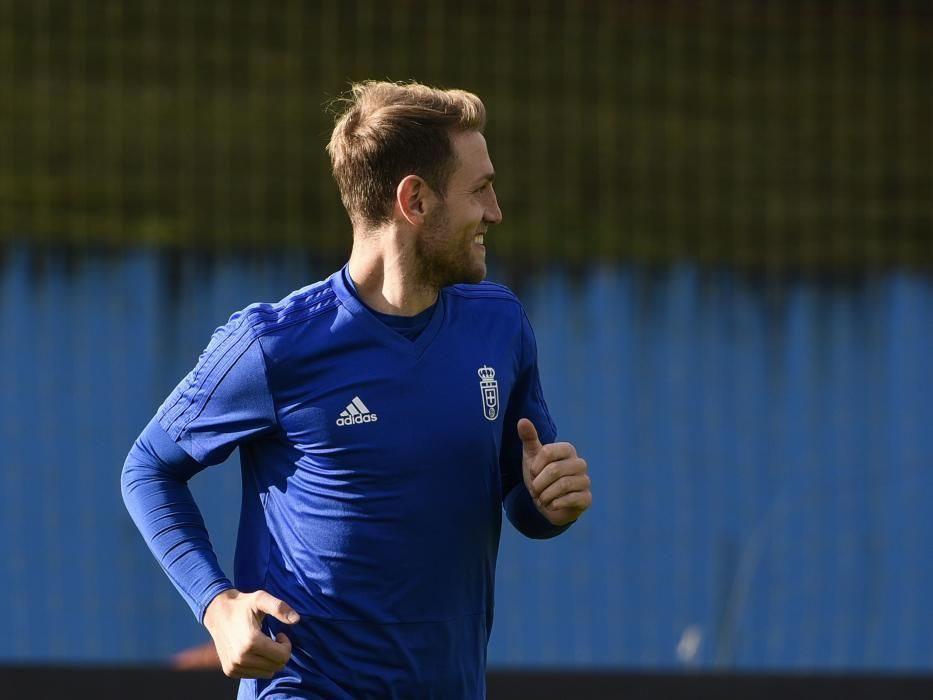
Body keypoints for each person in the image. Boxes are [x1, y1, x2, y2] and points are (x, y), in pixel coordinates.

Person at [122, 80, 593, 699]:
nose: (496, 211)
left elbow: (522, 492)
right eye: (480, 189)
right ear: (415, 200)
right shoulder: (274, 344)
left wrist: (550, 501)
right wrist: (218, 606)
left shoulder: (499, 325)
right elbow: (148, 467)